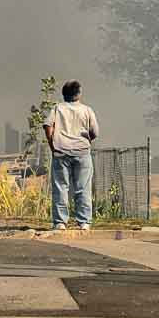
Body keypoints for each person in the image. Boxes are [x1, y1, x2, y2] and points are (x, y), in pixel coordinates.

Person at [44, 80, 99, 231]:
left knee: (60, 187)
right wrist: (83, 140)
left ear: (63, 94)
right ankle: (84, 223)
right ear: (79, 93)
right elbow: (95, 132)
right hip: (82, 152)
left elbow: (48, 126)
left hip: (60, 152)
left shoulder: (57, 108)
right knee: (83, 188)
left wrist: (52, 145)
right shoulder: (87, 110)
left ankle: (60, 223)